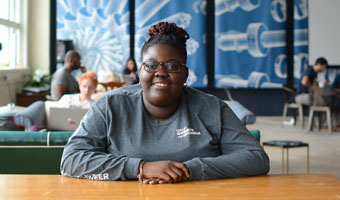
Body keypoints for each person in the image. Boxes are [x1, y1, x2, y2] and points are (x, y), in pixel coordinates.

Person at [61, 22, 269, 184]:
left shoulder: (212, 108)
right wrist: (140, 168)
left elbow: (256, 159)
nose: (160, 72)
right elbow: (70, 160)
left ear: (185, 74)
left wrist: (188, 170)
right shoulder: (111, 106)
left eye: (171, 66)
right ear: (140, 72)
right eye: (151, 65)